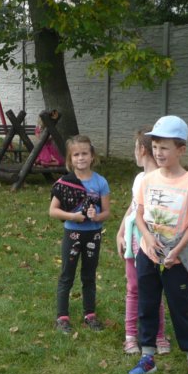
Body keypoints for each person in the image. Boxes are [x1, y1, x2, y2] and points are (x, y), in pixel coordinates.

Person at [128, 116, 188, 374]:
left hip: (176, 259)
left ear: (181, 150)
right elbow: (139, 214)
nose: (158, 152)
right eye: (155, 147)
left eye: (165, 147)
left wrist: (177, 251)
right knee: (147, 304)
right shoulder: (147, 180)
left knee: (181, 307)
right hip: (148, 254)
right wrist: (147, 239)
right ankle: (147, 356)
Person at [49, 135, 111, 333]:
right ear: (70, 159)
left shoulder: (101, 182)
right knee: (67, 274)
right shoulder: (65, 182)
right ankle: (62, 316)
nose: (81, 158)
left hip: (93, 235)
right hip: (72, 234)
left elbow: (107, 212)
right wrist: (72, 216)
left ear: (92, 156)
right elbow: (53, 211)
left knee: (89, 275)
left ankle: (90, 314)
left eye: (84, 153)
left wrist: (97, 216)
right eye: (76, 155)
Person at [116, 129, 170, 355]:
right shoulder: (139, 179)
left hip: (154, 242)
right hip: (134, 242)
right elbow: (133, 207)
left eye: (134, 148)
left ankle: (158, 335)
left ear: (141, 149)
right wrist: (120, 233)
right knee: (133, 288)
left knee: (154, 289)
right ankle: (130, 335)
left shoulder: (163, 179)